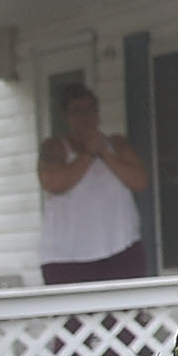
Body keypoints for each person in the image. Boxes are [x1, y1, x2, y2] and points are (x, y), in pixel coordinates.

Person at [38, 84, 151, 282]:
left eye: (90, 110)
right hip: (67, 258)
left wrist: (104, 152)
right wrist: (87, 154)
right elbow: (53, 183)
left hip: (120, 249)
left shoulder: (117, 144)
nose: (85, 117)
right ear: (66, 116)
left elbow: (140, 182)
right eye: (77, 111)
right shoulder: (54, 147)